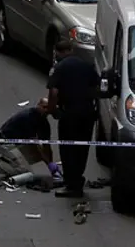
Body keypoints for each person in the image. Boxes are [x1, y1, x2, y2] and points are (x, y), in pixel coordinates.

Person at [43, 39, 100, 198]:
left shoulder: (58, 69)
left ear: (58, 52)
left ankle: (72, 185)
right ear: (71, 50)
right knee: (82, 148)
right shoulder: (86, 66)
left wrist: (53, 110)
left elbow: (53, 92)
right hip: (87, 114)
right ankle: (77, 180)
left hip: (69, 115)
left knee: (68, 149)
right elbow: (97, 88)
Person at [0, 100, 61, 181]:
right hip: (5, 142)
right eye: (44, 107)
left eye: (48, 108)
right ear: (38, 105)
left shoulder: (44, 123)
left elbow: (46, 145)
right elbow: (34, 145)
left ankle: (10, 161)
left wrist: (51, 166)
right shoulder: (29, 117)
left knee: (37, 157)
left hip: (19, 144)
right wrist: (48, 163)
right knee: (24, 171)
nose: (45, 110)